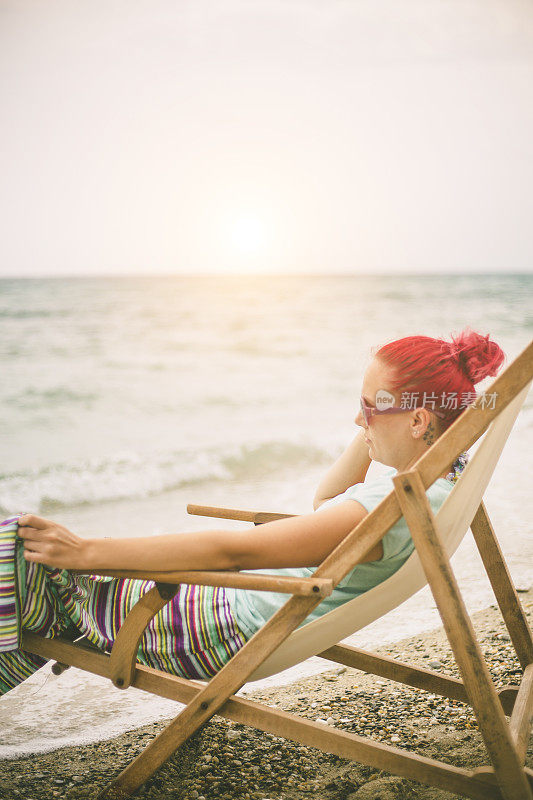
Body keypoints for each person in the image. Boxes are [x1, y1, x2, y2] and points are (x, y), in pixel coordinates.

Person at [0, 328, 504, 694]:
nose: (357, 418)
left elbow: (234, 550)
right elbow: (326, 502)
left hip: (208, 630)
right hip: (234, 618)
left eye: (369, 407)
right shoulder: (438, 488)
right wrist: (379, 419)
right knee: (34, 569)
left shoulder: (390, 506)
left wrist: (88, 551)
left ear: (419, 420)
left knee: (19, 551)